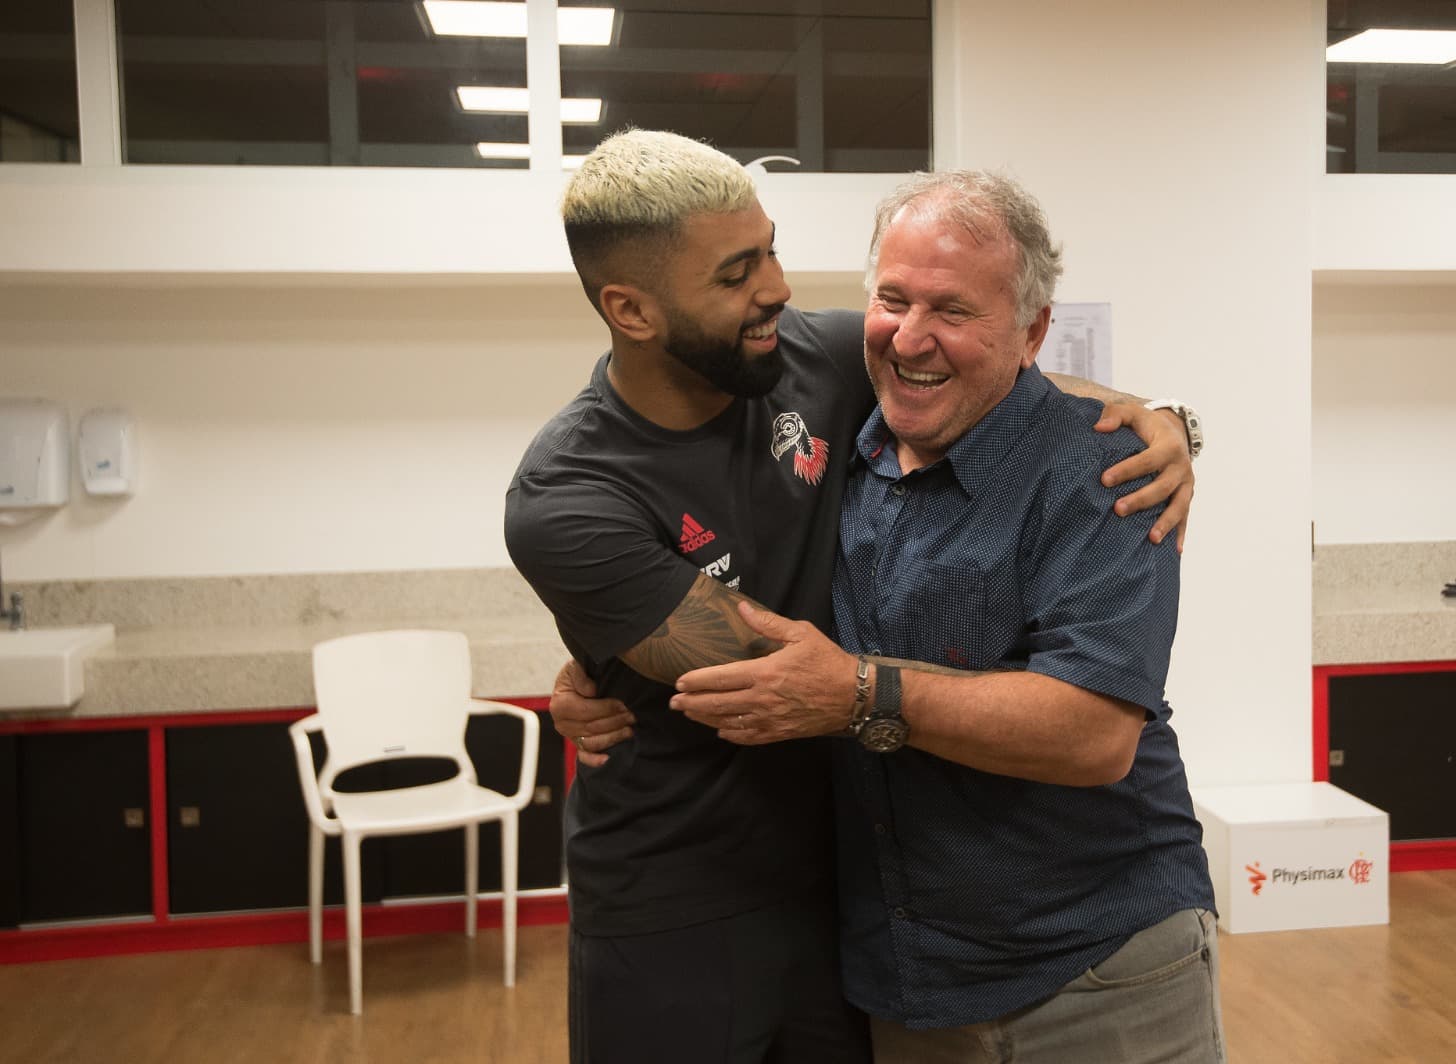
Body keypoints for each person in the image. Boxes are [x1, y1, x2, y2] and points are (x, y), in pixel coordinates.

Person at [505, 129, 1199, 1064]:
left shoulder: (813, 361)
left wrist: (1159, 421)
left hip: (868, 905)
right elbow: (776, 676)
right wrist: (614, 659)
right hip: (677, 902)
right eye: (736, 272)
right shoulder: (568, 494)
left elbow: (994, 369)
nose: (779, 288)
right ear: (631, 309)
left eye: (773, 249)